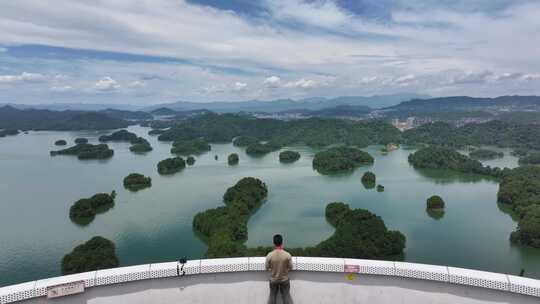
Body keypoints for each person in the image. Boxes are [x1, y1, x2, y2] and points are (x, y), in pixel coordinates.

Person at [265, 234, 293, 304]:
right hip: (284, 279)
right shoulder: (287, 255)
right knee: (286, 297)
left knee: (272, 297)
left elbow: (266, 267)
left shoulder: (269, 255)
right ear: (282, 242)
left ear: (274, 243)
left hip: (273, 280)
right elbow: (291, 267)